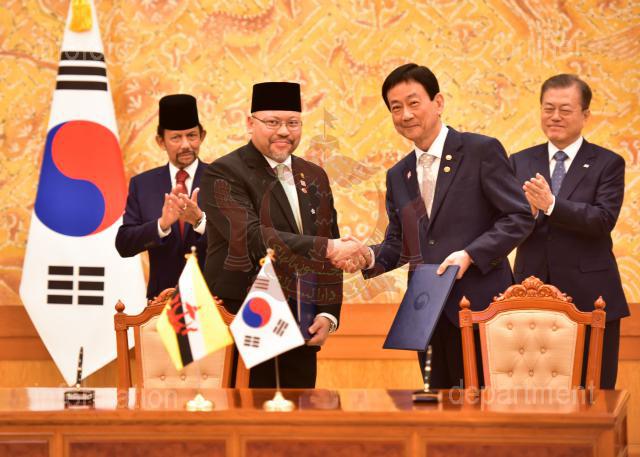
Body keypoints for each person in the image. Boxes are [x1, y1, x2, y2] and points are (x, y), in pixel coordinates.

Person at [342, 63, 534, 389]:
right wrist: (367, 256)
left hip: (481, 306)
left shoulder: (480, 150)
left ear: (438, 102)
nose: (405, 115)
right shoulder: (398, 174)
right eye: (396, 108)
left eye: (413, 103)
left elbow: (518, 216)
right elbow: (401, 243)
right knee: (437, 405)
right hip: (426, 312)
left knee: (486, 404)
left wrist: (470, 255)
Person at [199, 82, 360, 388]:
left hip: (302, 323)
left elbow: (329, 241)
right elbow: (250, 237)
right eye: (273, 122)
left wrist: (328, 314)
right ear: (251, 123)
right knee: (243, 411)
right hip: (243, 319)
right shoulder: (224, 173)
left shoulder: (314, 175)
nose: (284, 131)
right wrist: (328, 247)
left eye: (293, 123)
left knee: (299, 412)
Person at [510, 74, 629, 389]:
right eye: (548, 108)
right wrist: (527, 213)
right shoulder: (520, 162)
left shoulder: (607, 163)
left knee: (593, 391)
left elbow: (602, 220)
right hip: (530, 291)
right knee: (533, 391)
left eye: (565, 109)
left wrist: (551, 205)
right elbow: (505, 226)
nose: (555, 116)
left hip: (591, 295)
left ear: (585, 115)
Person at [116, 94, 208, 299]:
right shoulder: (142, 184)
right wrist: (161, 225)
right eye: (176, 138)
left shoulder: (222, 179)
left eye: (192, 136)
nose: (185, 144)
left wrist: (200, 222)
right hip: (161, 302)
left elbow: (237, 241)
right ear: (161, 141)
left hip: (212, 302)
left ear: (202, 136)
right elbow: (124, 244)